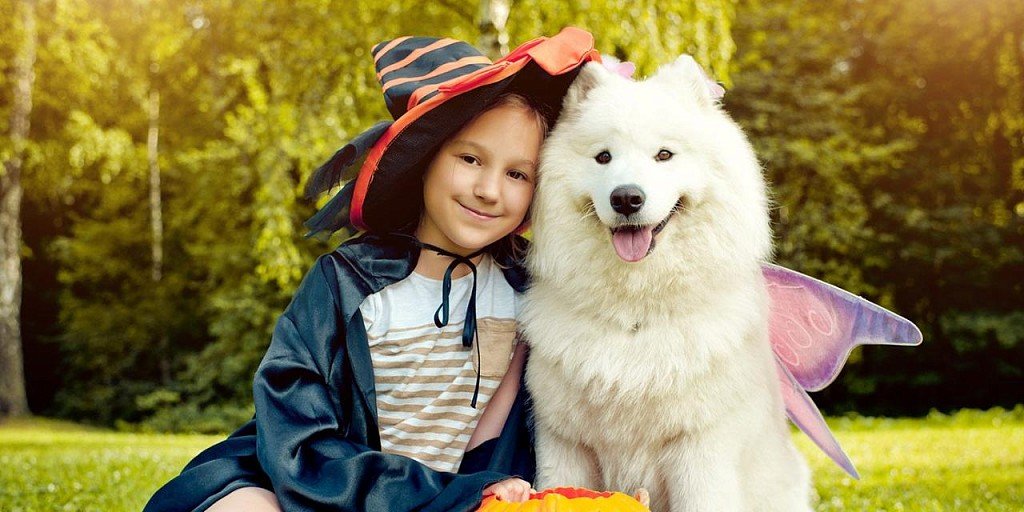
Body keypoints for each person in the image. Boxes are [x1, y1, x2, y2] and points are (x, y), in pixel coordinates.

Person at [144, 28, 600, 512]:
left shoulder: (529, 292)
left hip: (459, 501)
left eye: (517, 174)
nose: (489, 189)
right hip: (320, 490)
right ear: (425, 161)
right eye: (469, 159)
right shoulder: (344, 283)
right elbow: (297, 442)